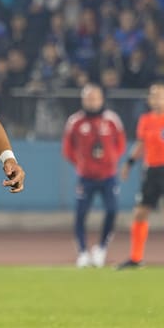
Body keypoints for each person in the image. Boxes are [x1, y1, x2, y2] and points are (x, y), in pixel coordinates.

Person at [117, 83, 164, 270]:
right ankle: (136, 258)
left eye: (161, 96)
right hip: (150, 169)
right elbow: (141, 144)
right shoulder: (145, 120)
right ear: (149, 100)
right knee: (140, 212)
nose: (157, 99)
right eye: (154, 96)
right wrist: (129, 163)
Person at [61, 84, 126, 268]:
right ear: (83, 100)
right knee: (81, 215)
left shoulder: (112, 120)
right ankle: (82, 252)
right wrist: (80, 163)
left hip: (108, 176)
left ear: (102, 99)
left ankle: (101, 249)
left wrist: (111, 160)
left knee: (112, 211)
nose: (92, 101)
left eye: (95, 98)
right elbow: (67, 149)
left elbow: (120, 144)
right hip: (86, 177)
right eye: (88, 98)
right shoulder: (75, 122)